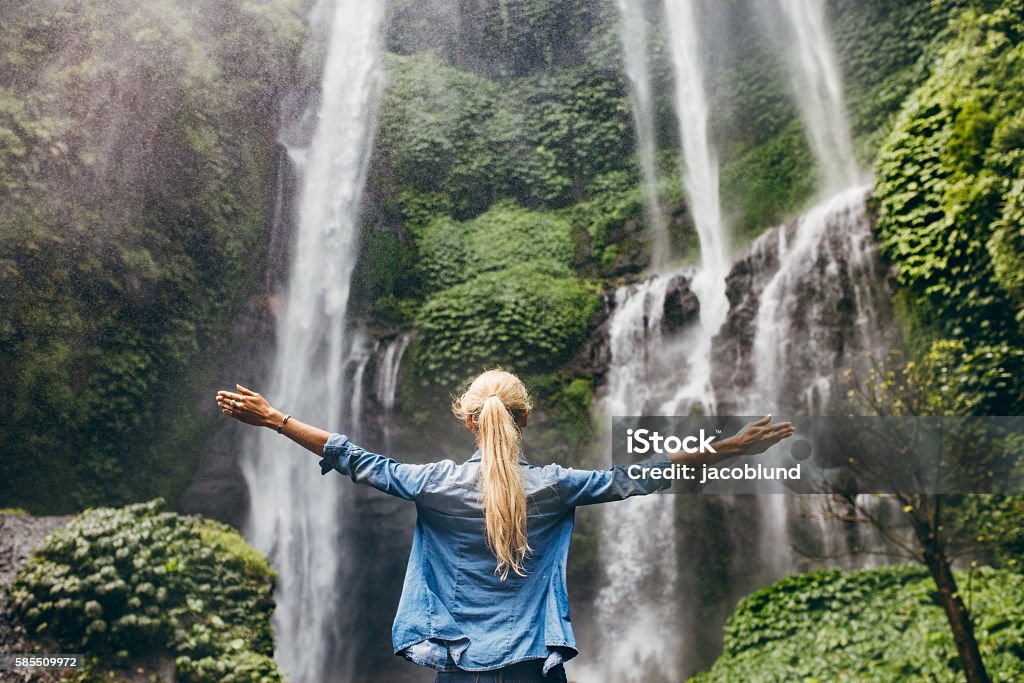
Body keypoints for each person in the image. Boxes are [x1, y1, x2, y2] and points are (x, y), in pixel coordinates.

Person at [216, 369, 794, 682]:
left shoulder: (434, 484)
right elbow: (639, 475)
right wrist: (727, 448)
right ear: (525, 418)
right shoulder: (555, 486)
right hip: (532, 671)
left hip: (461, 668)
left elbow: (356, 457)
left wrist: (275, 419)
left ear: (469, 422)